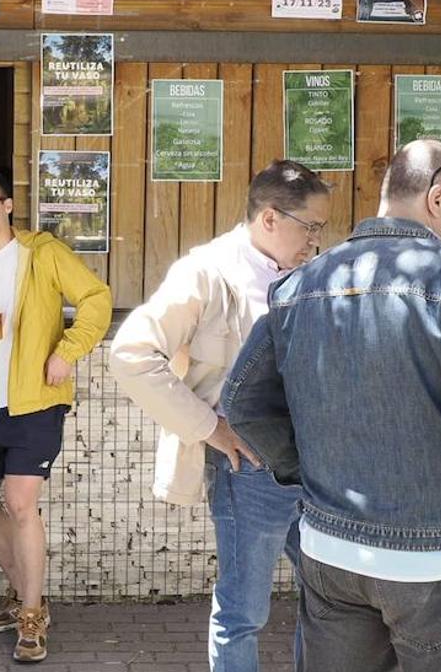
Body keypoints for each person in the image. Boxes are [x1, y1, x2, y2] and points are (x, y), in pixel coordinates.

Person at [223, 139, 441, 672]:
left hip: (331, 554)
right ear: (437, 199)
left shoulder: (298, 285)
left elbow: (242, 403)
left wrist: (311, 473)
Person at [110, 160, 331, 672]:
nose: (318, 239)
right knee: (243, 611)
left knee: (330, 602)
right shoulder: (205, 271)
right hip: (250, 468)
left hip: (317, 464)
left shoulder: (311, 269)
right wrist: (209, 428)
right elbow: (131, 353)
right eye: (311, 226)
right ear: (270, 218)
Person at [0, 170, 112, 664]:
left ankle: (31, 618)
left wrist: (68, 350)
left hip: (35, 401)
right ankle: (24, 595)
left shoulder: (43, 252)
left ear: (8, 205)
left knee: (19, 501)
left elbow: (96, 299)